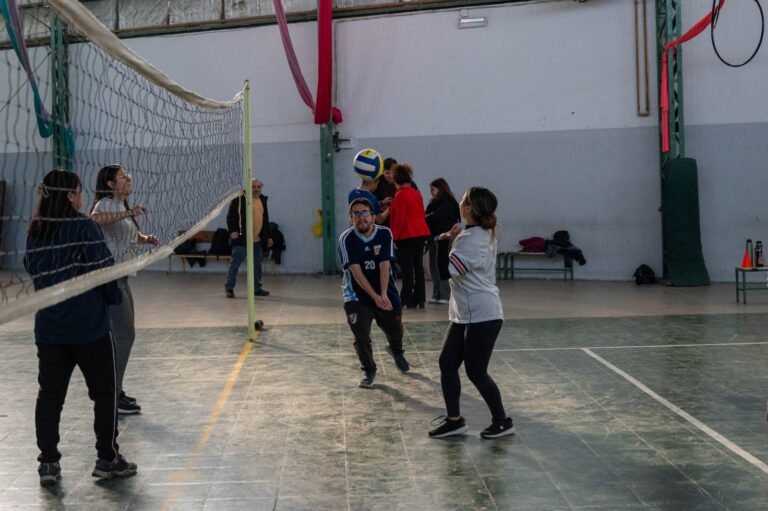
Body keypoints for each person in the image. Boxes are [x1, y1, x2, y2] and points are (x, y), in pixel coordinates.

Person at [25, 169, 138, 486]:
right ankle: (107, 459)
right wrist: (113, 297)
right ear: (71, 195)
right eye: (79, 191)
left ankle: (49, 463)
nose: (82, 195)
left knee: (50, 396)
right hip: (90, 328)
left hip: (50, 329)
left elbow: (32, 268)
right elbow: (104, 270)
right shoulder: (84, 226)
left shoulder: (37, 228)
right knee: (105, 395)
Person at [429, 187, 514, 439]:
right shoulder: (478, 233)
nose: (460, 203)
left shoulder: (471, 240)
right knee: (447, 363)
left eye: (463, 201)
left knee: (476, 371)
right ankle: (454, 421)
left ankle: (502, 421)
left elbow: (444, 272)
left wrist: (442, 242)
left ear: (469, 208)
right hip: (465, 313)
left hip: (482, 314)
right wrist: (453, 237)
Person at [90, 164, 159, 415]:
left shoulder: (121, 205)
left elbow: (127, 234)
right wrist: (129, 212)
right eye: (122, 176)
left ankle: (115, 390)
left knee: (125, 335)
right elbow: (95, 219)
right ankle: (111, 395)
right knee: (125, 335)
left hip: (122, 276)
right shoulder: (106, 204)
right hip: (110, 278)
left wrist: (145, 238)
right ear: (110, 184)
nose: (128, 178)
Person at [338, 197, 411, 388]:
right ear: (351, 218)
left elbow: (385, 265)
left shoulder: (385, 234)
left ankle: (396, 350)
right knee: (361, 336)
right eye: (356, 214)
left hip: (385, 291)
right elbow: (356, 272)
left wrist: (383, 294)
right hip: (356, 296)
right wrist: (375, 297)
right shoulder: (346, 239)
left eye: (365, 213)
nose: (361, 217)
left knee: (395, 329)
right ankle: (369, 370)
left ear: (372, 216)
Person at [388, 164, 431, 309]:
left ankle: (406, 298)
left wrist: (394, 237)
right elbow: (421, 213)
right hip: (421, 233)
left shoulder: (400, 195)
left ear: (397, 180)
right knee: (418, 267)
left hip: (407, 235)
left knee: (407, 269)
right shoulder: (416, 193)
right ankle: (420, 298)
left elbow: (400, 218)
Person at [225, 178, 272, 298]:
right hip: (241, 239)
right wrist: (233, 231)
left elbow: (265, 220)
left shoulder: (262, 200)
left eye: (258, 187)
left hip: (257, 240)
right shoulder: (240, 199)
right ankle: (229, 288)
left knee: (257, 265)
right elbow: (230, 216)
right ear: (248, 188)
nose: (256, 189)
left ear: (261, 187)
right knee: (235, 264)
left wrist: (268, 237)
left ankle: (257, 288)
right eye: (253, 187)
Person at [425, 178, 460, 304]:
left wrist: (426, 217)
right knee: (434, 268)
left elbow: (437, 217)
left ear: (440, 189)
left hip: (444, 238)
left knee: (442, 266)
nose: (431, 192)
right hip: (433, 237)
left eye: (433, 190)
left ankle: (445, 294)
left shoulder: (448, 202)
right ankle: (437, 294)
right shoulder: (435, 202)